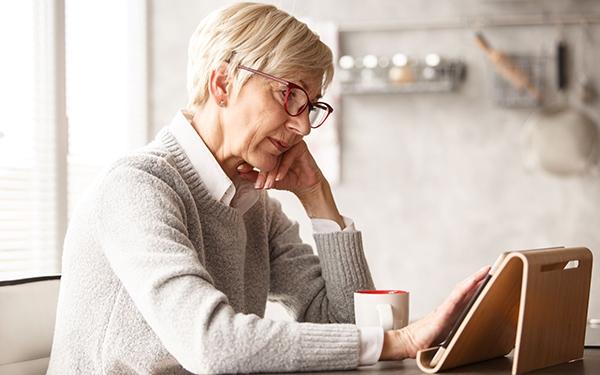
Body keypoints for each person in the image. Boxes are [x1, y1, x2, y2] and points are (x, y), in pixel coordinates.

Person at [47, 3, 489, 374]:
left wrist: (318, 198)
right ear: (223, 83)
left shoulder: (252, 205)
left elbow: (343, 322)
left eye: (310, 107)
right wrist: (402, 340)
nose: (301, 125)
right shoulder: (137, 186)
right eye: (290, 95)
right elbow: (213, 343)